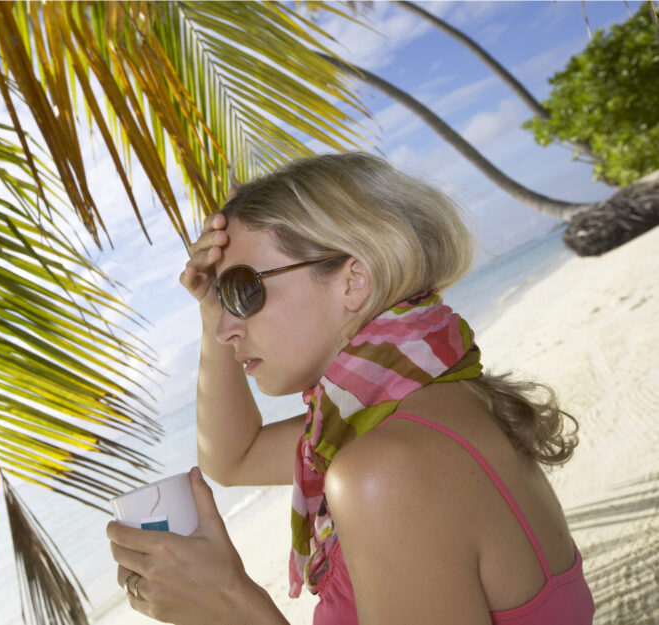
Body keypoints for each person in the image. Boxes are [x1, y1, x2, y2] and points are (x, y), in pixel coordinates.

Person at [107, 152, 595, 624]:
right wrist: (212, 306)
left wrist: (231, 606)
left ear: (354, 280)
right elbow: (233, 458)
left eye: (243, 290)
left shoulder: (385, 469)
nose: (225, 330)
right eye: (223, 299)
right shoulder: (437, 401)